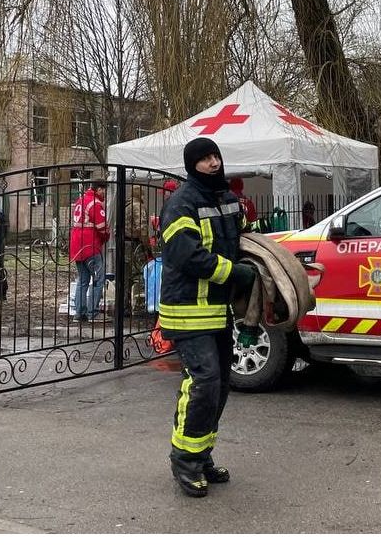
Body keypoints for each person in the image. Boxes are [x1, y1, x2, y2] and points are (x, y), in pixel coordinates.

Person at [159, 137, 257, 498]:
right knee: (203, 382)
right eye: (205, 159)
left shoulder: (228, 199)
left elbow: (245, 236)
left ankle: (201, 455)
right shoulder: (180, 204)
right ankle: (184, 459)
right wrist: (236, 274)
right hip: (188, 311)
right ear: (192, 166)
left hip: (219, 311)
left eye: (215, 156)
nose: (213, 163)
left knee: (219, 386)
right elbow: (189, 257)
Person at [70, 180, 110, 322]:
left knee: (83, 280)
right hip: (90, 246)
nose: (104, 193)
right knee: (99, 279)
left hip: (77, 247)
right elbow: (102, 227)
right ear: (98, 189)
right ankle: (93, 312)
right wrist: (106, 237)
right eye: (104, 190)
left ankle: (79, 313)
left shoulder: (80, 201)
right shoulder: (95, 203)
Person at [123, 185, 150, 316]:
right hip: (135, 245)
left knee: (125, 277)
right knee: (139, 275)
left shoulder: (126, 206)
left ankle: (124, 306)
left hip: (124, 244)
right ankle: (139, 306)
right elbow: (142, 229)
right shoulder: (137, 206)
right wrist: (147, 247)